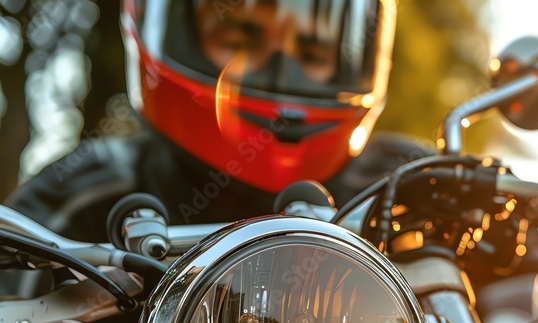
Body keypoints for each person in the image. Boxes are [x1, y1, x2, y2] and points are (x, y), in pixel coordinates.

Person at [5, 0, 431, 241]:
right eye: (240, 38)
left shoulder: (411, 186)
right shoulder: (83, 189)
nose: (279, 67)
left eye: (312, 51)